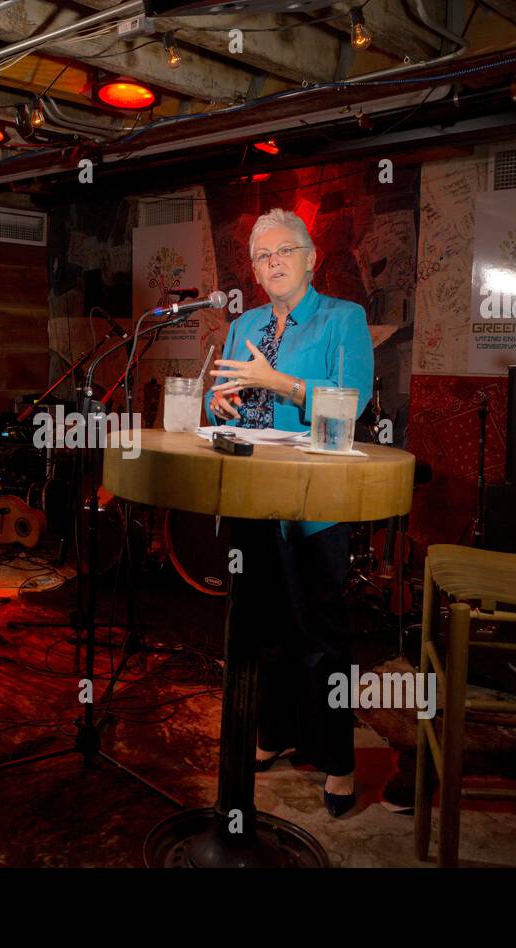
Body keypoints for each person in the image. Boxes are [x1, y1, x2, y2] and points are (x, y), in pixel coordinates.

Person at [205, 207, 374, 817]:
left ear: (310, 259)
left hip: (312, 501)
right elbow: (216, 390)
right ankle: (273, 732)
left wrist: (280, 384)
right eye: (262, 256)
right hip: (249, 497)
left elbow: (350, 403)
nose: (272, 264)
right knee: (259, 629)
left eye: (284, 252)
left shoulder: (342, 319)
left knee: (319, 635)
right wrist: (219, 401)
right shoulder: (244, 323)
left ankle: (337, 758)